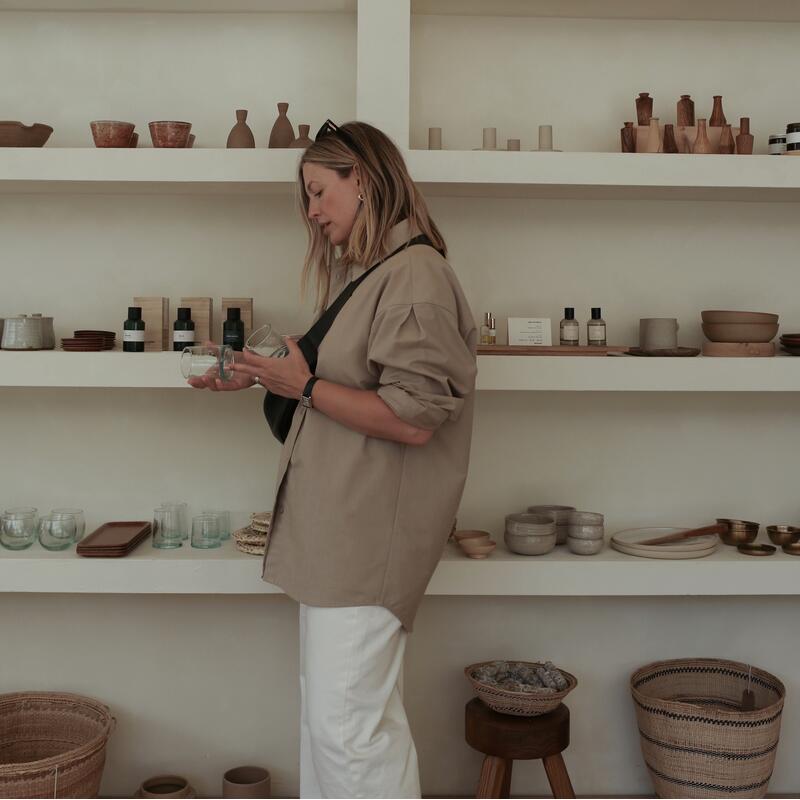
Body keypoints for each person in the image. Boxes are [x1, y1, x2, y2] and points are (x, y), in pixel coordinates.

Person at [189, 120, 477, 798]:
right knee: (333, 730)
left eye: (319, 193)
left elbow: (413, 421)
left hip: (366, 543)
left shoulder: (414, 279)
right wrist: (266, 375)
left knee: (347, 735)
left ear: (364, 180)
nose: (313, 215)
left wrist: (306, 385)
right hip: (342, 537)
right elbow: (339, 391)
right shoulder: (377, 276)